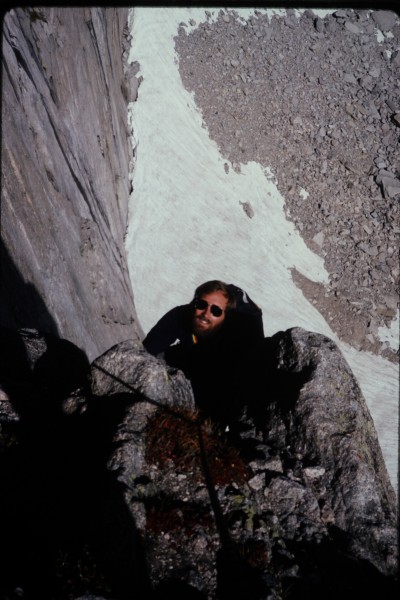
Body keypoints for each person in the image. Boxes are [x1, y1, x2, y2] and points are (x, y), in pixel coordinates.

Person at [143, 280, 264, 427]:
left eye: (216, 311)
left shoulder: (241, 336)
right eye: (201, 305)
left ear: (226, 316)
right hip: (196, 352)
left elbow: (241, 388)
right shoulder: (182, 315)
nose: (206, 314)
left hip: (225, 363)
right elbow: (146, 351)